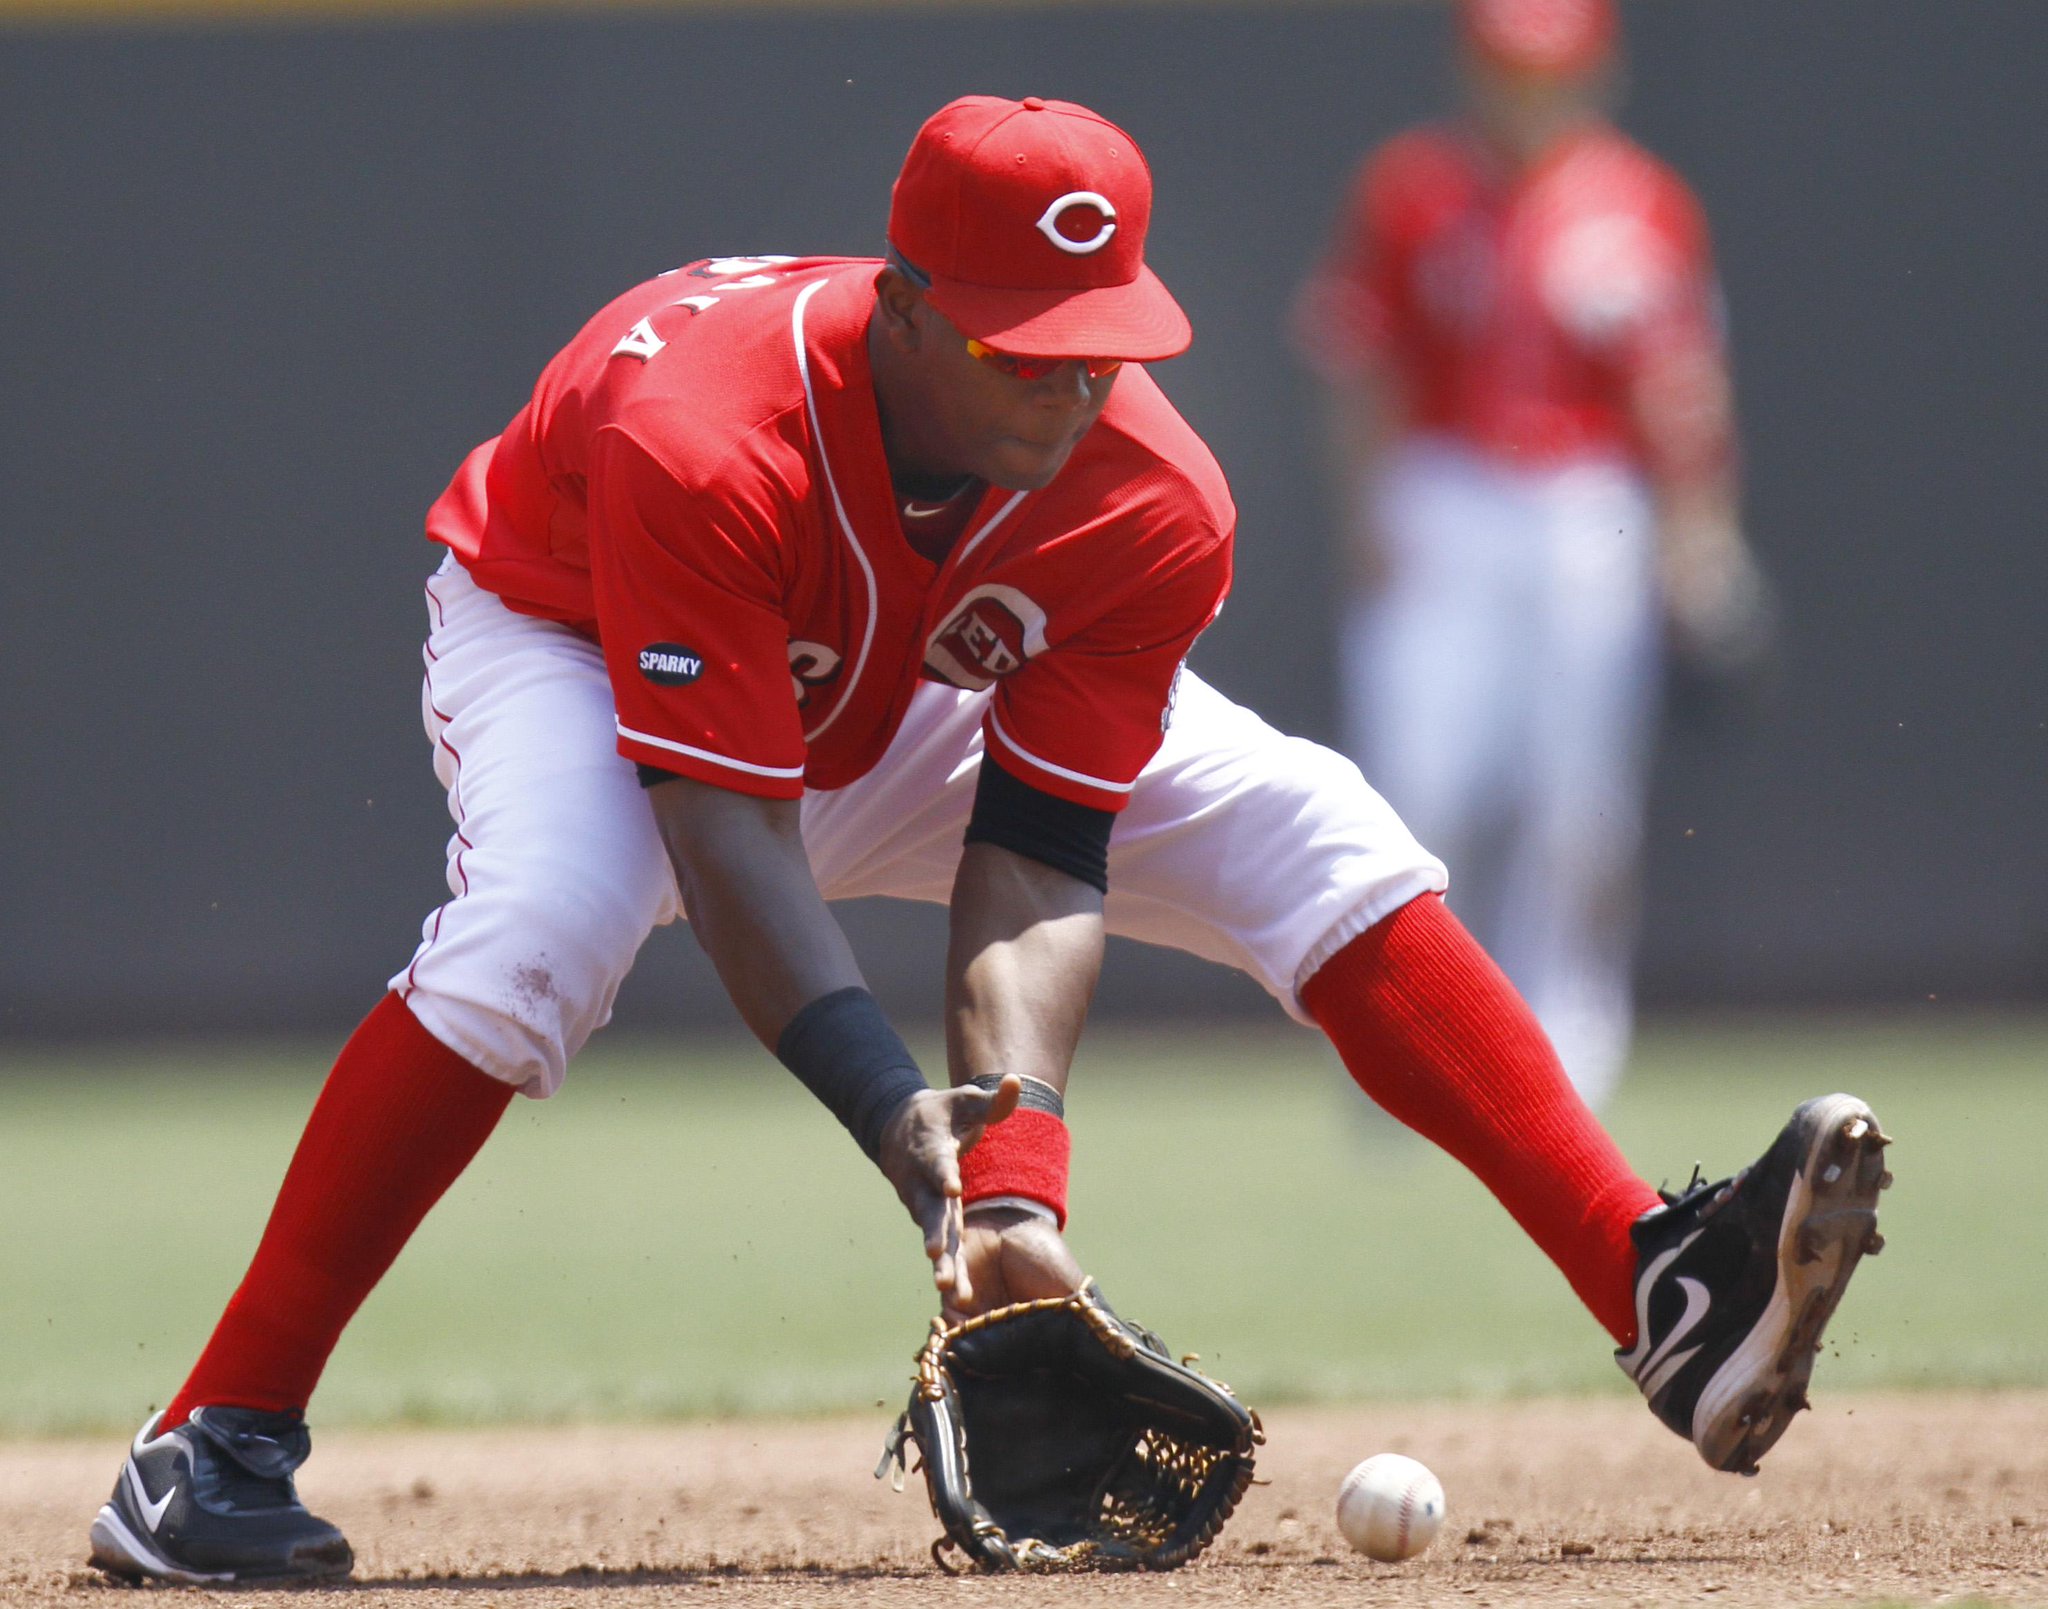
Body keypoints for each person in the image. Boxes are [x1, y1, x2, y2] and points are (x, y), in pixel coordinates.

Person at [88, 94, 1880, 1586]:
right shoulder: (702, 433)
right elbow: (726, 844)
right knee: (545, 920)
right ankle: (208, 1444)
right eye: (1030, 352)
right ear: (910, 310)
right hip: (570, 638)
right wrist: (906, 1135)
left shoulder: (1145, 496)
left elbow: (1034, 847)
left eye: (1108, 347)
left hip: (883, 695)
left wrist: (1014, 1180)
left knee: (1305, 823)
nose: (1077, 389)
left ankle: (1650, 1281)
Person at [1293, 0, 1773, 1109]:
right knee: (1415, 789)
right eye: (1507, 70)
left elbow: (1681, 391)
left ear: (1593, 72)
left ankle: (1566, 1053)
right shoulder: (1412, 188)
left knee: (1579, 800)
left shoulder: (1642, 202)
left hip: (1582, 502)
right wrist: (1365, 512)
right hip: (1444, 488)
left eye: (1547, 71)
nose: (1526, 94)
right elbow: (1361, 364)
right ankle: (1400, 1052)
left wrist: (1700, 541)